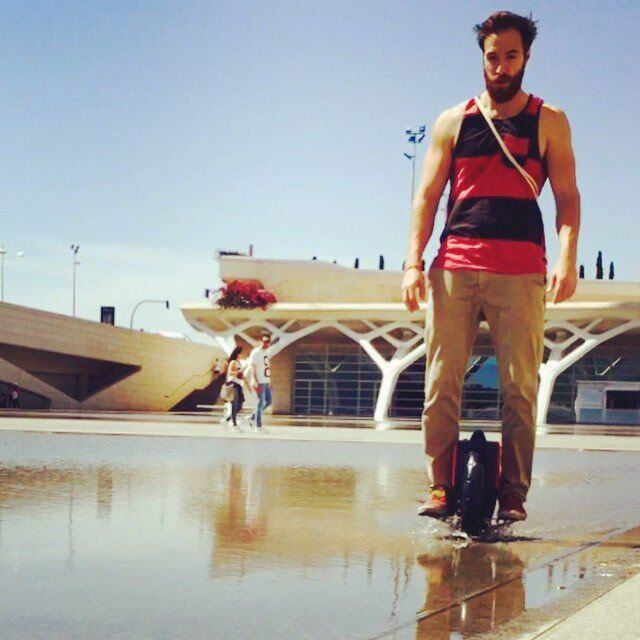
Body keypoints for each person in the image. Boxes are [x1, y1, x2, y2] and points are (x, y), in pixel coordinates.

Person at [402, 11, 580, 522]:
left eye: (511, 56)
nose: (501, 67)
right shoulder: (453, 121)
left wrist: (567, 258)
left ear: (527, 58)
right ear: (482, 58)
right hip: (455, 267)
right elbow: (427, 196)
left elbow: (567, 197)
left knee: (520, 388)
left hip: (521, 272)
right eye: (493, 57)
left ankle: (513, 496)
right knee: (441, 384)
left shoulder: (549, 120)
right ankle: (439, 487)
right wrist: (413, 263)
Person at [244, 332, 272, 432]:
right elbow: (253, 367)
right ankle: (258, 425)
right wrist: (254, 380)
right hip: (259, 381)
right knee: (260, 403)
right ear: (259, 341)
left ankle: (252, 417)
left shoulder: (266, 353)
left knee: (268, 402)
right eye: (264, 341)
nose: (266, 343)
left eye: (268, 341)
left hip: (266, 382)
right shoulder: (256, 352)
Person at [222, 346, 246, 431]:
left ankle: (227, 419)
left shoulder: (239, 362)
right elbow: (230, 373)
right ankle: (234, 425)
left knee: (240, 404)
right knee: (234, 404)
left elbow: (240, 375)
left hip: (238, 384)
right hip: (233, 384)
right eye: (241, 353)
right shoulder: (233, 362)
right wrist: (239, 371)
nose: (242, 355)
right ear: (238, 354)